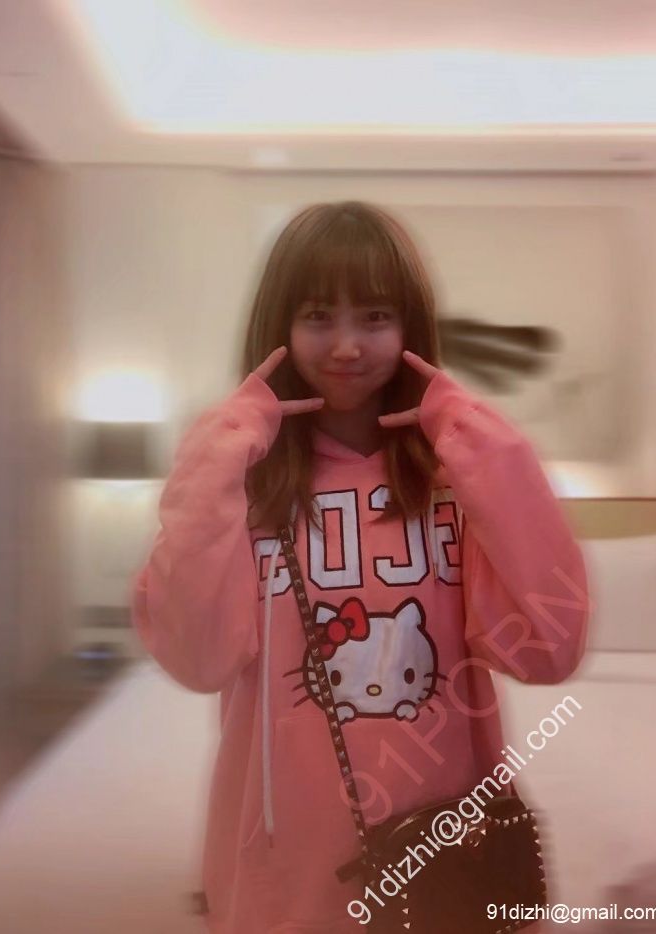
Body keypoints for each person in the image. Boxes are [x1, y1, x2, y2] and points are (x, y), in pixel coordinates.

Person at [131, 200, 590, 933]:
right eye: (318, 315)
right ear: (279, 326)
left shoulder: (453, 481)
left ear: (410, 328)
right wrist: (216, 456)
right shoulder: (247, 486)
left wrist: (488, 450)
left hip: (443, 852)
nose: (347, 346)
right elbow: (198, 658)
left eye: (375, 316)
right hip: (287, 864)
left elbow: (548, 650)